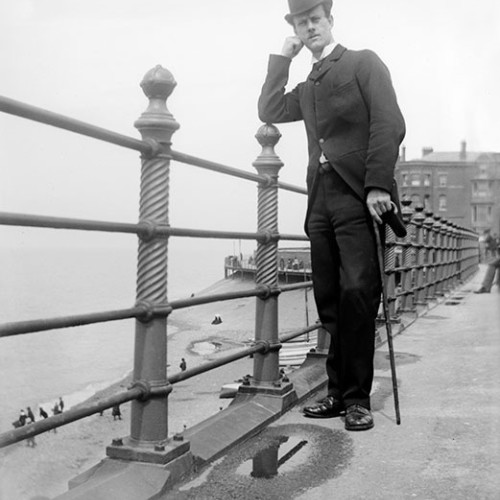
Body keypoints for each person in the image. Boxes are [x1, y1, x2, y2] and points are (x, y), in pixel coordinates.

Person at [259, 0, 405, 431]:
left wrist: (377, 183)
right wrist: (282, 60)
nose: (309, 28)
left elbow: (388, 122)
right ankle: (338, 393)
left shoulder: (362, 63)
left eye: (314, 20)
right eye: (301, 24)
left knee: (359, 292)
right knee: (330, 299)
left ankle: (358, 398)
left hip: (357, 194)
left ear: (329, 21)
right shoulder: (307, 86)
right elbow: (269, 109)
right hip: (320, 198)